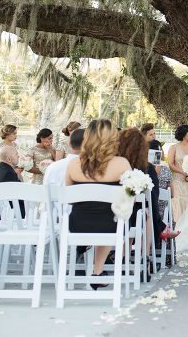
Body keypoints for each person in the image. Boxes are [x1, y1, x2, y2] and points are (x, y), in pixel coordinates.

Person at [65, 119, 131, 289]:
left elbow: (69, 197)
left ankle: (96, 270)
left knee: (102, 217)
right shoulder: (122, 163)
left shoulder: (73, 164)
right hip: (110, 226)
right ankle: (97, 271)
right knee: (113, 217)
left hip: (77, 224)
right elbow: (130, 197)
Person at [168, 124, 188, 222]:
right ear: (183, 134)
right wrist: (184, 172)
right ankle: (178, 231)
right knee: (179, 204)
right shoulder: (174, 147)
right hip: (178, 182)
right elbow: (171, 164)